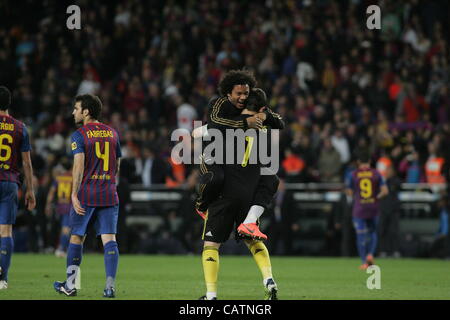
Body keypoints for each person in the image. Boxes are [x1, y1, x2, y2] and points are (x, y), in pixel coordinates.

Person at [197, 70, 279, 300]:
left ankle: (211, 295)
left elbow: (210, 132)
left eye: (245, 94)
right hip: (249, 194)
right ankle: (269, 280)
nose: (241, 97)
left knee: (211, 245)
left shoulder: (229, 127)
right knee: (253, 241)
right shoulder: (264, 131)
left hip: (224, 194)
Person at [193, 87, 284, 241]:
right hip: (238, 181)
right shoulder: (262, 128)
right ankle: (247, 221)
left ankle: (206, 206)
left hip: (229, 182)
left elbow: (196, 133)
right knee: (271, 180)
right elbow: (280, 123)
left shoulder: (233, 121)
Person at [53, 94, 121, 298]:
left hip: (87, 194)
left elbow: (79, 165)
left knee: (76, 237)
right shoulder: (113, 133)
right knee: (109, 239)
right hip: (109, 193)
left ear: (86, 112)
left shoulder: (79, 135)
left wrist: (74, 194)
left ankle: (71, 285)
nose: (73, 112)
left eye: (76, 108)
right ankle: (109, 287)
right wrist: (106, 180)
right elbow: (117, 165)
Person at [0, 86, 36, 289]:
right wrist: (30, 190)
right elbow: (27, 163)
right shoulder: (20, 127)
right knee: (5, 232)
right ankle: (2, 279)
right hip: (9, 183)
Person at [345, 151, 388, 270]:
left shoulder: (353, 174)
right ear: (369, 161)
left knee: (361, 235)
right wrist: (376, 197)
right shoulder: (376, 173)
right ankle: (370, 254)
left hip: (359, 208)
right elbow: (385, 191)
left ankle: (364, 262)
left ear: (358, 162)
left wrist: (355, 195)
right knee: (373, 232)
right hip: (373, 207)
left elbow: (349, 191)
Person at [45, 157, 73, 258]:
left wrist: (48, 205)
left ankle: (64, 248)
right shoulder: (73, 178)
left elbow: (52, 192)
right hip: (69, 205)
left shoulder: (59, 178)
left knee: (63, 228)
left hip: (60, 205)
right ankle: (61, 248)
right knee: (66, 228)